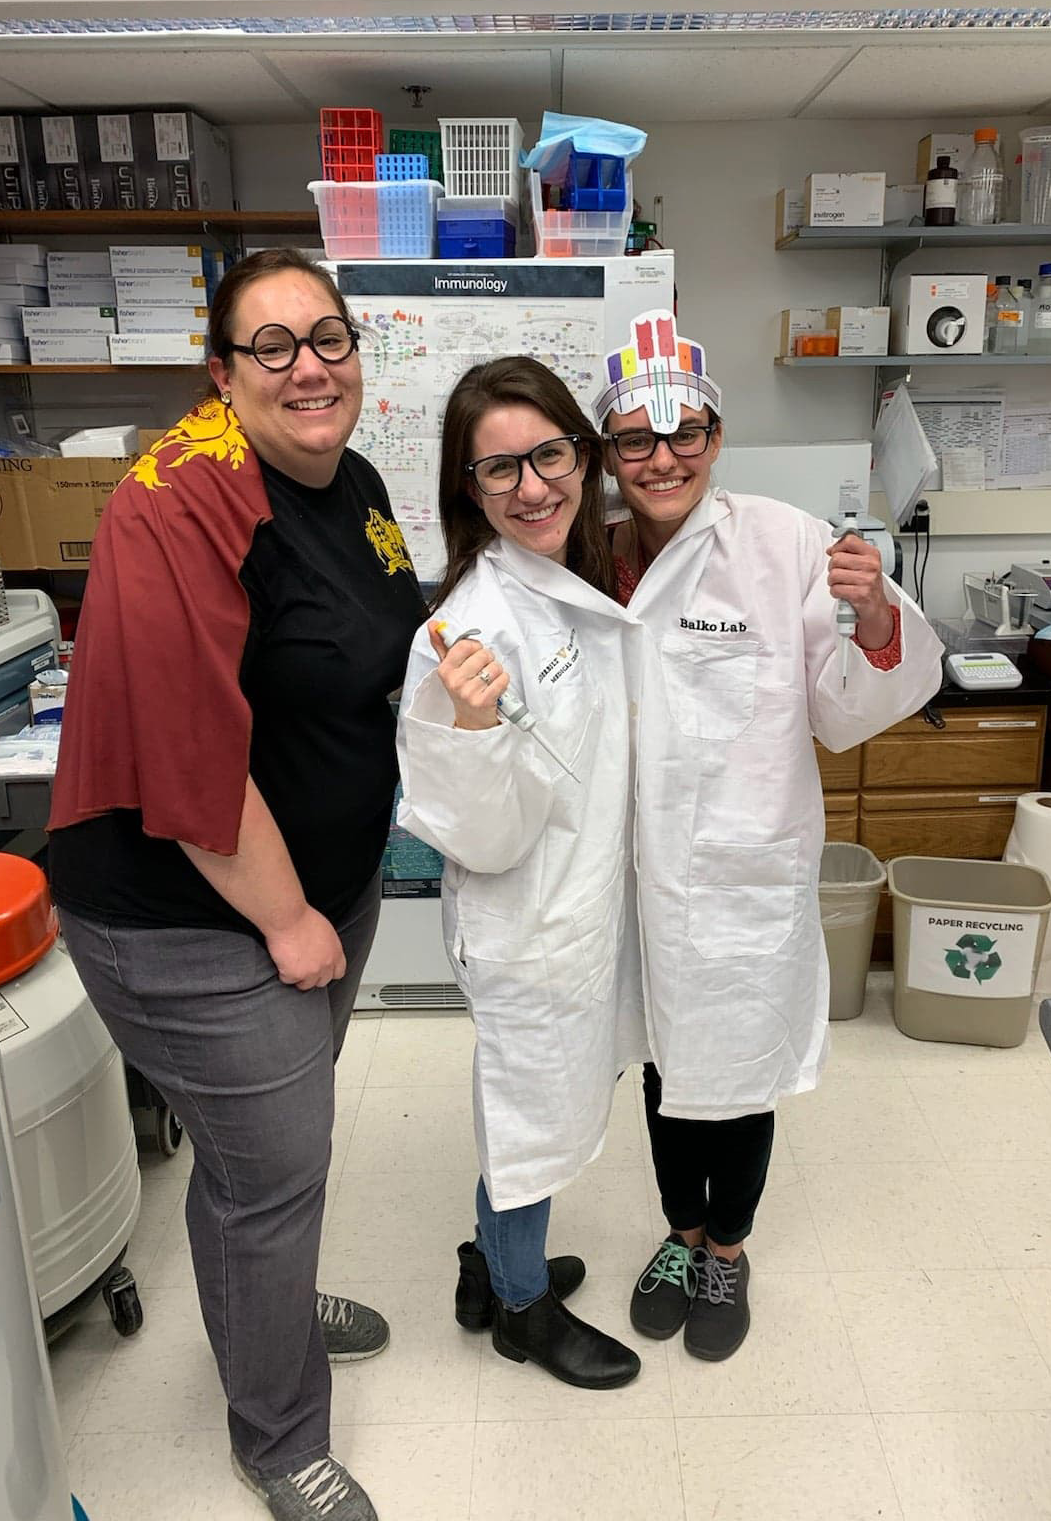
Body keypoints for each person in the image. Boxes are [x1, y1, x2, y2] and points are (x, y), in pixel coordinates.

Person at [47, 249, 426, 1521]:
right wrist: (288, 919)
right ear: (221, 373)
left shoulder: (351, 477)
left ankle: (266, 1295)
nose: (308, 366)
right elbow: (191, 758)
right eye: (272, 346)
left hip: (320, 883)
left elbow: (379, 644)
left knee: (265, 1165)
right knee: (276, 1160)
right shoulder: (176, 503)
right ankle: (279, 1436)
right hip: (187, 910)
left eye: (328, 337)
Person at [594, 311, 944, 1364]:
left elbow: (838, 712)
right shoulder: (586, 553)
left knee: (736, 1069)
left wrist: (878, 620)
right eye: (637, 440)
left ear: (716, 433)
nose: (663, 459)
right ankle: (679, 1230)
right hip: (631, 872)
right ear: (609, 451)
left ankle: (727, 1248)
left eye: (685, 433)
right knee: (660, 1063)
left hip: (747, 866)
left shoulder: (783, 540)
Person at [395, 356, 648, 1390]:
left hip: (578, 904)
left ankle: (488, 1261)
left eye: (548, 455)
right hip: (528, 919)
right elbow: (478, 833)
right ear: (469, 487)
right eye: (499, 471)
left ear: (583, 458)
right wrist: (468, 724)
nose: (532, 486)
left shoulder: (576, 584)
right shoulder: (465, 630)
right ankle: (519, 1307)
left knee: (536, 1105)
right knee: (530, 1113)